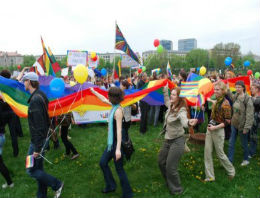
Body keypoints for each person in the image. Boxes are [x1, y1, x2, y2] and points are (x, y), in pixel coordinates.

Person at [22, 72, 63, 198]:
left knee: (31, 170)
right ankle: (41, 195)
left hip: (37, 141)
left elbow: (39, 125)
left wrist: (37, 148)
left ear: (29, 81)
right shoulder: (40, 95)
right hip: (41, 139)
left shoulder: (35, 100)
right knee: (38, 168)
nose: (23, 83)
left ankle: (57, 184)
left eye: (24, 80)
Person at [90, 87, 133, 198]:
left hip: (117, 143)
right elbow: (104, 100)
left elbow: (119, 131)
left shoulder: (118, 111)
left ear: (114, 98)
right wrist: (94, 92)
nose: (108, 97)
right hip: (111, 143)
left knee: (119, 169)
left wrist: (118, 150)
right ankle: (111, 185)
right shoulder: (114, 105)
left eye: (109, 95)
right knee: (103, 162)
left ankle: (128, 194)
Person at [158, 85, 197, 195]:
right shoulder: (171, 105)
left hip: (177, 140)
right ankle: (169, 181)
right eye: (172, 94)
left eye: (174, 95)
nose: (171, 96)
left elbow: (184, 120)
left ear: (179, 97)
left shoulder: (182, 110)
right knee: (161, 162)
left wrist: (189, 123)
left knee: (171, 167)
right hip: (167, 139)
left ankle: (177, 190)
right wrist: (166, 90)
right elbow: (166, 100)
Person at [204, 81, 235, 182]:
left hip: (218, 131)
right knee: (207, 152)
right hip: (210, 128)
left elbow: (227, 122)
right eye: (215, 89)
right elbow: (216, 105)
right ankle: (210, 176)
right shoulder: (217, 100)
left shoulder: (226, 104)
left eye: (217, 90)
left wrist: (215, 128)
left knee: (220, 154)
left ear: (222, 91)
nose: (215, 91)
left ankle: (231, 171)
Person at [227, 80, 254, 166]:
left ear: (243, 88)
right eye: (236, 87)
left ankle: (246, 159)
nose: (237, 89)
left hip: (242, 126)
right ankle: (229, 161)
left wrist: (246, 128)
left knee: (244, 143)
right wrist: (228, 90)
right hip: (234, 123)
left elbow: (250, 115)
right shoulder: (236, 95)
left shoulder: (247, 99)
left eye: (239, 87)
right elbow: (232, 97)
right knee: (231, 142)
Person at [0, 70, 20, 157]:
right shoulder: (12, 84)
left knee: (1, 131)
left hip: (2, 112)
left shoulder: (1, 85)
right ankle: (16, 152)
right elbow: (18, 80)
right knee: (13, 133)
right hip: (12, 111)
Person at [0, 95, 14, 189]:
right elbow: (9, 108)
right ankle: (9, 181)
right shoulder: (2, 105)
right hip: (2, 136)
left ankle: (10, 183)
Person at [249, 82, 260, 158]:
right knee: (252, 135)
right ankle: (252, 151)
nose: (251, 90)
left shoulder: (258, 98)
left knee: (254, 135)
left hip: (256, 119)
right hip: (253, 118)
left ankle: (252, 152)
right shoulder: (252, 97)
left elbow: (256, 102)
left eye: (252, 89)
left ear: (257, 89)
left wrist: (249, 97)